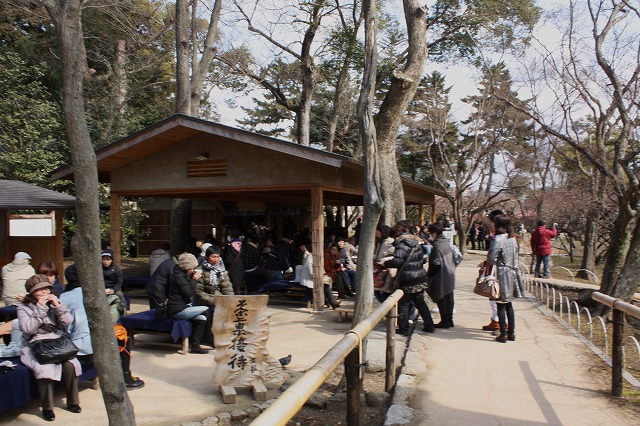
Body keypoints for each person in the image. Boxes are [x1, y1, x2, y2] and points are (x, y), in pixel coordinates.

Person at [60, 264, 144, 389]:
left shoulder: (63, 296)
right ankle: (125, 377)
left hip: (70, 341)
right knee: (122, 335)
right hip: (89, 346)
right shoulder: (92, 294)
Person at [17, 274, 82, 421]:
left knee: (71, 365)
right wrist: (40, 308)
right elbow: (28, 329)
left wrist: (57, 307)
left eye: (47, 289)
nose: (45, 292)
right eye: (40, 290)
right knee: (44, 369)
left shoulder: (56, 302)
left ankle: (73, 402)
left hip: (58, 341)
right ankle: (47, 408)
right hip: (36, 343)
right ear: (32, 293)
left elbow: (66, 322)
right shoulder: (23, 308)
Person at [384, 222, 435, 335]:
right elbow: (422, 259)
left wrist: (386, 263)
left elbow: (398, 261)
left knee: (404, 303)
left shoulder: (401, 244)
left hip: (408, 279)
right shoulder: (415, 242)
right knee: (420, 302)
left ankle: (403, 329)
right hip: (420, 276)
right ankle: (430, 325)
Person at [168, 253, 210, 354]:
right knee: (206, 310)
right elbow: (188, 293)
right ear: (187, 267)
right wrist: (194, 279)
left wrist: (192, 277)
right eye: (192, 268)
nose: (193, 270)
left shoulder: (181, 274)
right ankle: (208, 338)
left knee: (202, 318)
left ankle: (195, 345)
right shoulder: (178, 277)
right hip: (177, 310)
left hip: (183, 307)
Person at [487, 215, 520, 342]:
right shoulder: (512, 238)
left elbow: (491, 259)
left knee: (500, 303)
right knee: (509, 304)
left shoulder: (498, 239)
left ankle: (503, 333)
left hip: (501, 273)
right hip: (512, 272)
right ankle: (511, 332)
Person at [195, 245, 234, 344]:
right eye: (213, 257)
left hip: (217, 297)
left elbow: (226, 286)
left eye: (217, 257)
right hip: (204, 300)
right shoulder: (200, 270)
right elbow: (198, 292)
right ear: (207, 257)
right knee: (212, 310)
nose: (216, 259)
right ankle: (210, 338)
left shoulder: (220, 270)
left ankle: (224, 335)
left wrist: (231, 299)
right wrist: (214, 300)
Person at [426, 222, 457, 329]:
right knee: (449, 298)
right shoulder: (445, 242)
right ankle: (449, 320)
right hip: (449, 273)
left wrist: (429, 275)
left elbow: (435, 263)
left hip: (441, 275)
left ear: (435, 233)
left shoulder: (437, 245)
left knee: (441, 298)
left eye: (430, 233)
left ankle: (444, 321)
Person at [298, 244, 340, 309]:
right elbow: (310, 270)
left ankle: (329, 301)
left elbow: (321, 267)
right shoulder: (310, 257)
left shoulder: (316, 257)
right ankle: (332, 302)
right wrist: (316, 277)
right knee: (326, 285)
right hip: (309, 278)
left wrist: (323, 273)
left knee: (328, 281)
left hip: (315, 276)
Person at [101, 249, 126, 322]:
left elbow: (119, 281)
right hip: (102, 289)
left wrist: (114, 290)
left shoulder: (116, 269)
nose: (106, 262)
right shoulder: (99, 269)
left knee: (120, 296)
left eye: (108, 260)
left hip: (113, 289)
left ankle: (122, 312)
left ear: (111, 260)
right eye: (104, 260)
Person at [373, 224, 395, 304]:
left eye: (377, 231)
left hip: (387, 270)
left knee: (385, 291)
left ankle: (389, 308)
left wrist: (384, 261)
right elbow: (377, 254)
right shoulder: (380, 242)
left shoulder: (390, 241)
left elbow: (394, 255)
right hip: (379, 270)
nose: (375, 233)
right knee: (378, 291)